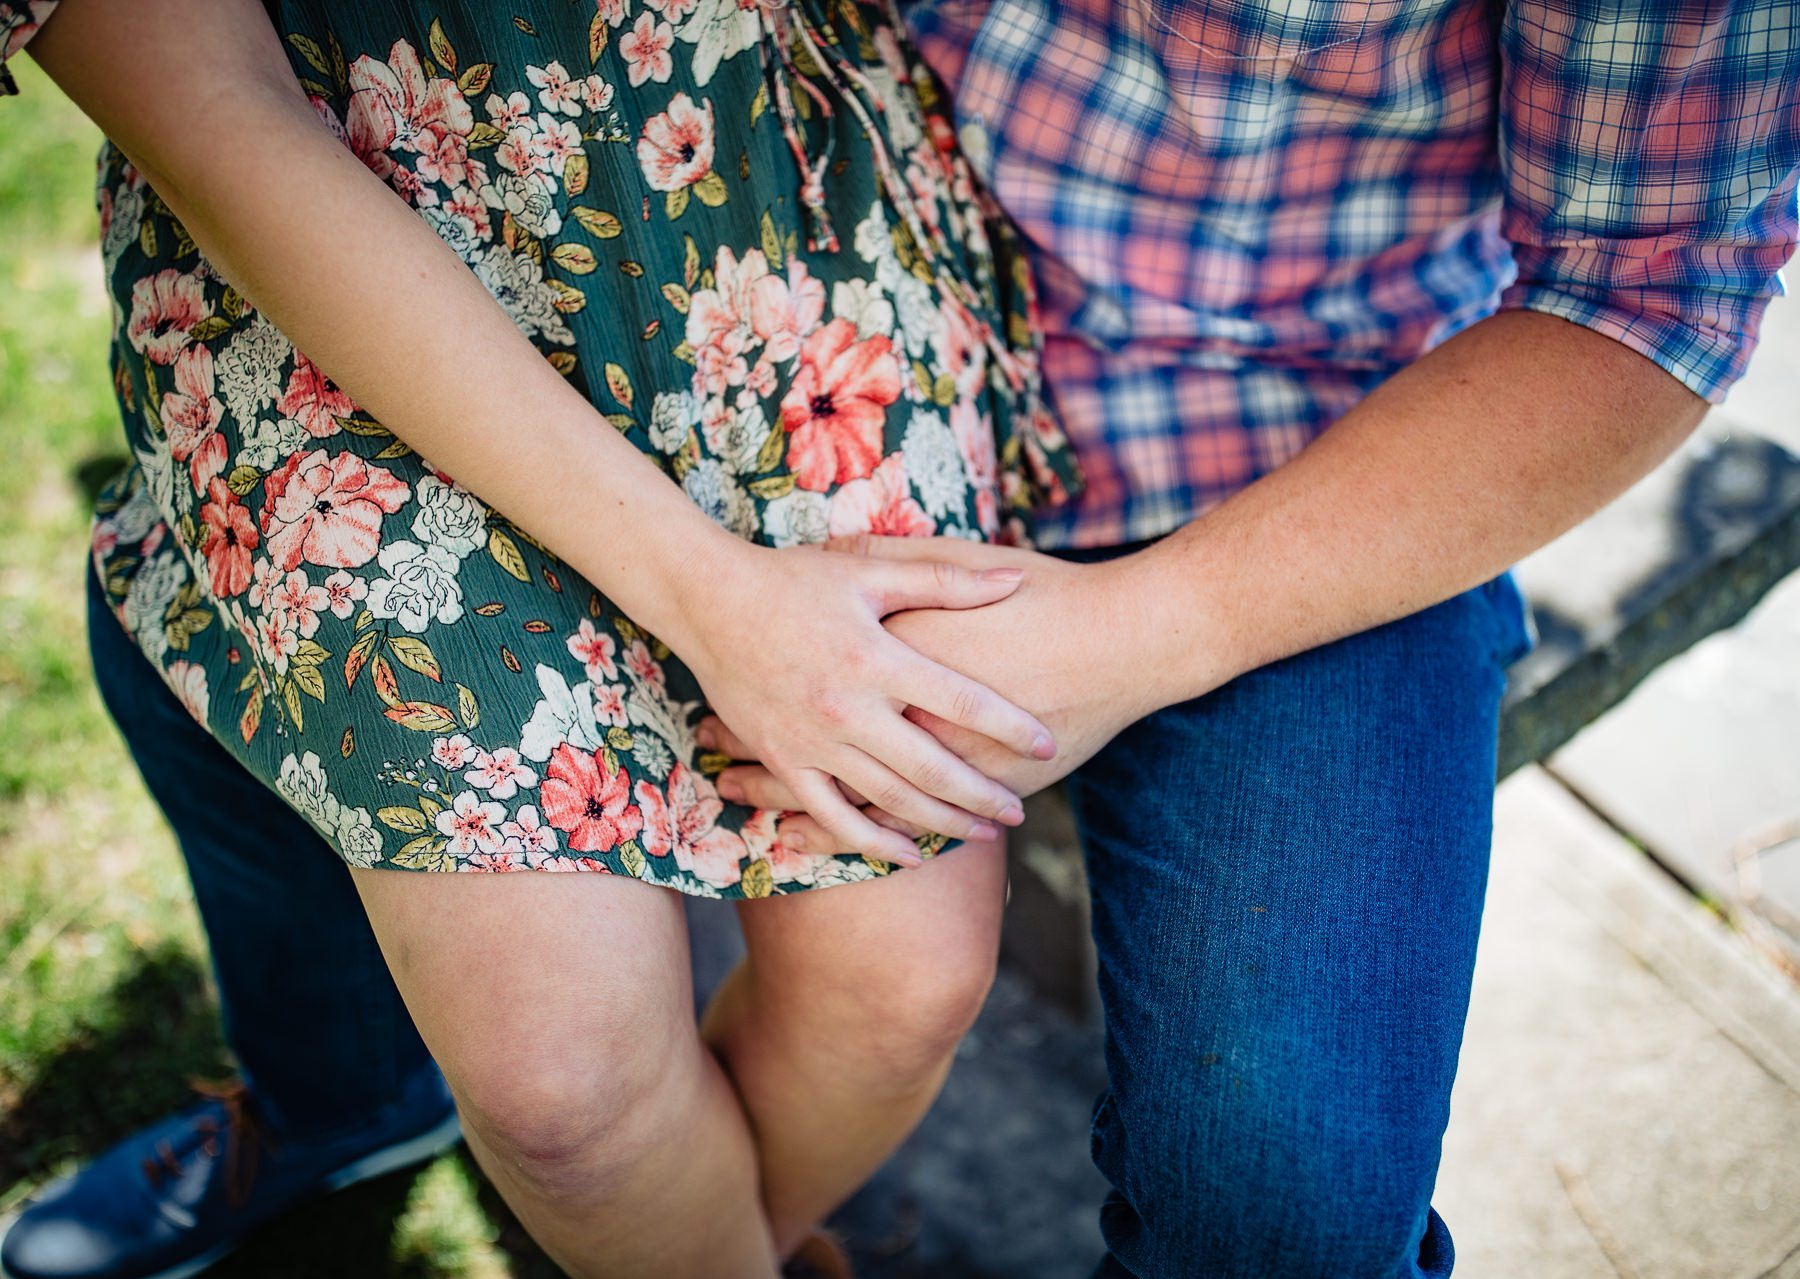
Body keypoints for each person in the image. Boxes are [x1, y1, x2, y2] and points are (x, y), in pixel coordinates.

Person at [1, 0, 1800, 1275]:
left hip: (1276, 451)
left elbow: (1647, 290)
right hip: (810, 301)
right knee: (241, 722)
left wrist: (1149, 629)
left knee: (1272, 1206)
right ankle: (350, 1103)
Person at [0, 0, 1081, 1276]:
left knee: (898, 989)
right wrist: (713, 599)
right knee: (563, 1095)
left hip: (775, 225)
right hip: (357, 293)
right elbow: (211, 113)